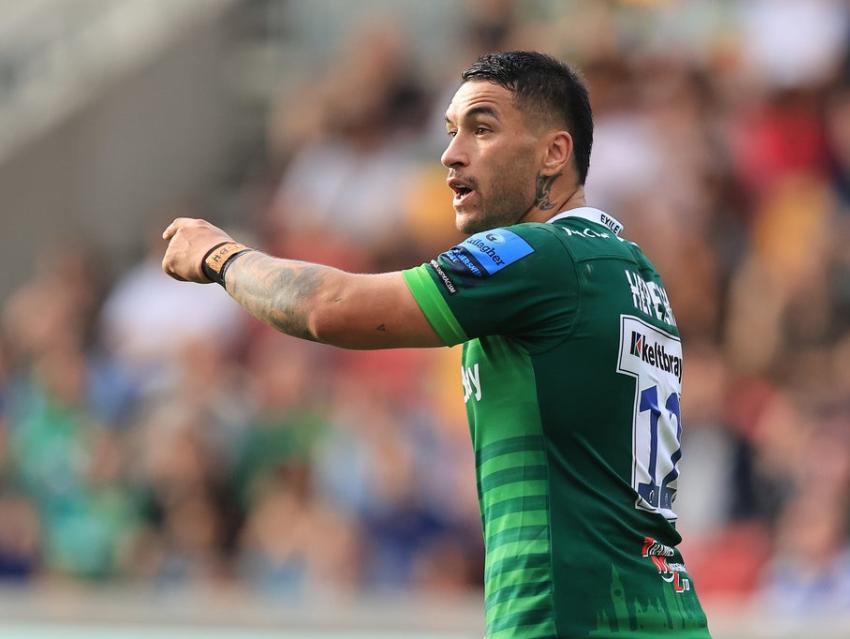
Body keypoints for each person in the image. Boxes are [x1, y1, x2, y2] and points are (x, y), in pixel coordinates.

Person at [162, 51, 711, 639]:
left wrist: (222, 257)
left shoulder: (539, 255)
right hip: (662, 614)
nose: (451, 154)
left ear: (555, 152)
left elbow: (330, 309)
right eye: (451, 132)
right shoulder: (635, 272)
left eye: (482, 128)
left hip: (567, 618)